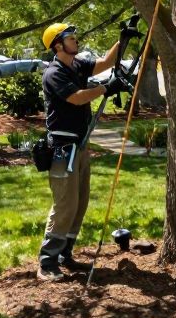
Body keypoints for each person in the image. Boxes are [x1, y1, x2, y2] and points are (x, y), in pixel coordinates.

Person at [36, 22, 130, 281]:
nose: (76, 41)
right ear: (58, 45)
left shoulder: (76, 65)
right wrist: (104, 89)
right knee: (65, 205)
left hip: (81, 144)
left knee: (80, 203)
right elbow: (76, 97)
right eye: (71, 38)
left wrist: (123, 39)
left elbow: (106, 62)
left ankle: (65, 254)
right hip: (63, 148)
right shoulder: (54, 73)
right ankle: (47, 262)